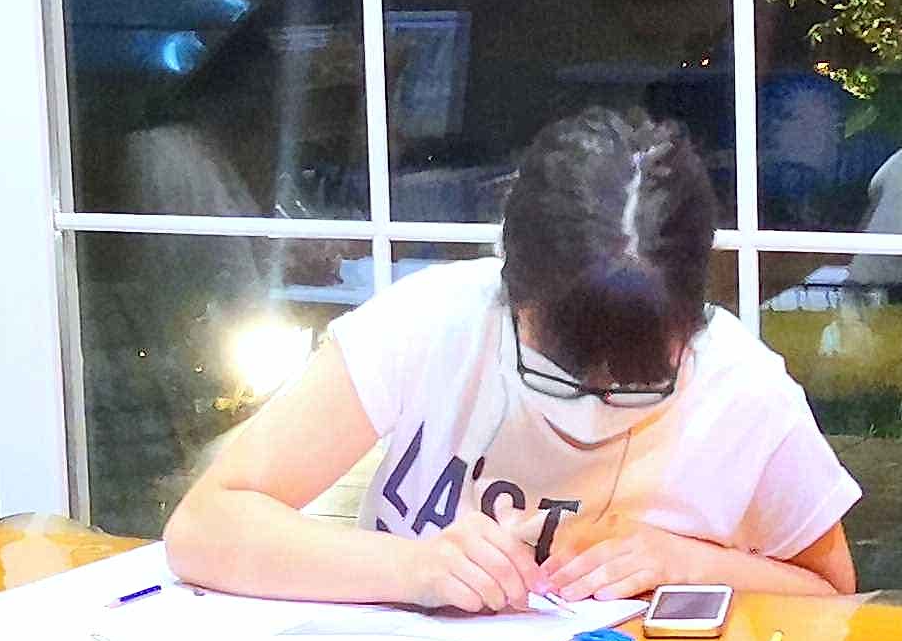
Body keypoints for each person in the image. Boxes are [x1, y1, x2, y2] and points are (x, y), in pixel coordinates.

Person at [167, 106, 858, 610]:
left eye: (638, 381)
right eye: (557, 373)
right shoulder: (433, 323)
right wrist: (410, 567)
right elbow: (206, 526)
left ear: (693, 319)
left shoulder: (741, 388)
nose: (593, 406)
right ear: (510, 293)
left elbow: (833, 596)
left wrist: (688, 562)